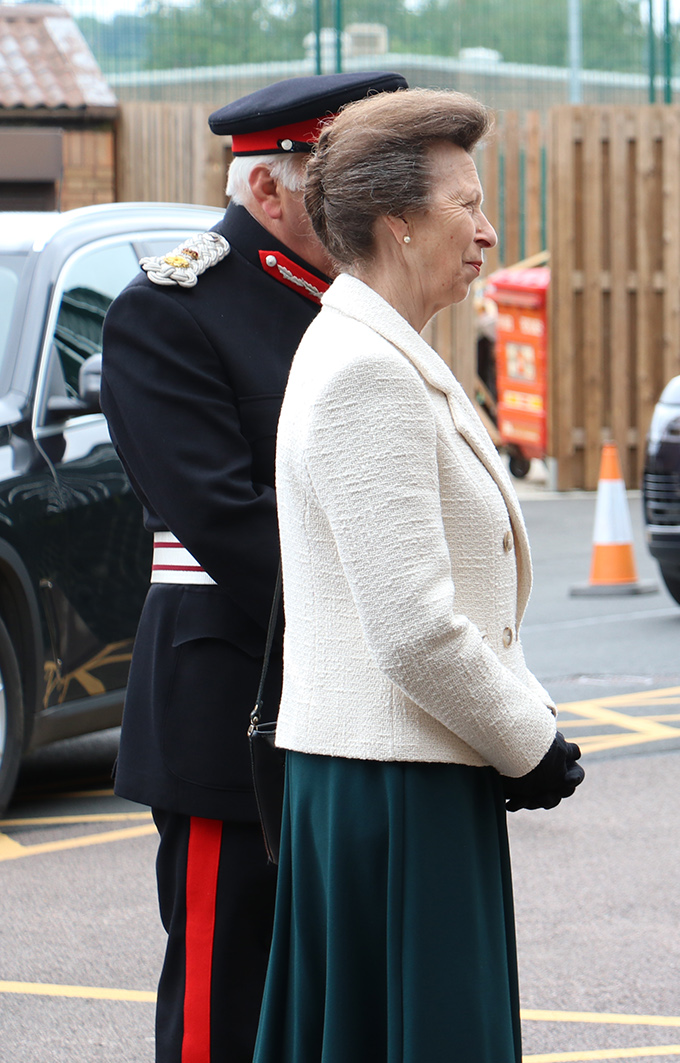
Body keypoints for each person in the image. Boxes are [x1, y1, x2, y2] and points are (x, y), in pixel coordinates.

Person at [250, 88, 584, 1062]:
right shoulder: (369, 371)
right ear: (397, 222)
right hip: (396, 785)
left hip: (393, 772)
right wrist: (529, 741)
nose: (489, 232)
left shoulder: (380, 348)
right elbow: (412, 626)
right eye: (466, 205)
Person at [99, 70, 407, 1063]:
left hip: (352, 705)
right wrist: (402, 614)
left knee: (337, 996)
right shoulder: (171, 310)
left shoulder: (356, 304)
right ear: (267, 188)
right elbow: (229, 522)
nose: (368, 209)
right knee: (223, 1003)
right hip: (231, 704)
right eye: (340, 186)